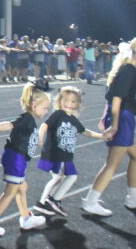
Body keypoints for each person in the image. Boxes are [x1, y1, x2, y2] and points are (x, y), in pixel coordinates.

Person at [83, 36, 136, 216]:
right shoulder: (128, 71)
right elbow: (116, 99)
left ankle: (133, 197)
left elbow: (112, 97)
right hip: (122, 119)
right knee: (112, 164)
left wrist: (105, 117)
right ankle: (90, 201)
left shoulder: (126, 69)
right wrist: (113, 125)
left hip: (124, 119)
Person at [0, 83, 50, 236]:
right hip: (15, 159)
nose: (46, 111)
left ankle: (26, 217)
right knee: (10, 192)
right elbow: (11, 124)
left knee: (22, 188)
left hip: (18, 159)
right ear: (34, 105)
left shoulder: (30, 120)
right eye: (45, 107)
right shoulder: (26, 118)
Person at [33, 86, 105, 217]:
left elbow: (84, 131)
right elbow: (44, 125)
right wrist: (40, 136)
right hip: (56, 153)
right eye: (66, 101)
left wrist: (101, 136)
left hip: (65, 155)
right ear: (60, 101)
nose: (69, 104)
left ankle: (46, 203)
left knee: (59, 178)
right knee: (66, 177)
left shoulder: (73, 119)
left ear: (78, 104)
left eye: (73, 102)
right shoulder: (58, 115)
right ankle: (51, 201)